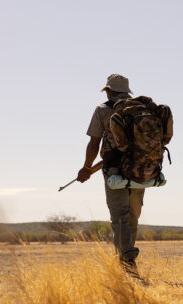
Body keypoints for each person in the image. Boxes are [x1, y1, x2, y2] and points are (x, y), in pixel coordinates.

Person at [76, 74, 144, 274]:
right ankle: (127, 259)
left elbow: (94, 143)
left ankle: (127, 263)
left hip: (115, 170)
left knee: (120, 216)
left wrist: (86, 168)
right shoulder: (142, 110)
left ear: (110, 91)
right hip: (142, 170)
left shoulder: (103, 110)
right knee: (132, 215)